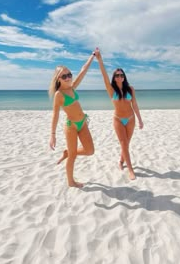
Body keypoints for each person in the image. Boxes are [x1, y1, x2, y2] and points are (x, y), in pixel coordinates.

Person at [94, 48, 143, 180]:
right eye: (117, 75)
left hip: (131, 119)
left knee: (126, 143)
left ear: (124, 77)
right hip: (118, 120)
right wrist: (100, 59)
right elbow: (104, 75)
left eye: (121, 75)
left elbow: (135, 105)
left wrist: (140, 119)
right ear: (114, 78)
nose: (119, 77)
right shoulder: (111, 90)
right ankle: (130, 170)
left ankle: (121, 161)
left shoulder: (130, 89)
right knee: (123, 143)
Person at [49, 52, 95, 188]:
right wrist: (52, 135)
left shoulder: (72, 87)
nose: (68, 78)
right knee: (73, 157)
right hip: (71, 126)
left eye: (69, 74)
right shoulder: (59, 94)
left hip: (83, 122)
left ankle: (67, 152)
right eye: (64, 76)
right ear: (58, 79)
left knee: (90, 151)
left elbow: (83, 71)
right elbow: (55, 115)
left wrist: (92, 56)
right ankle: (71, 182)